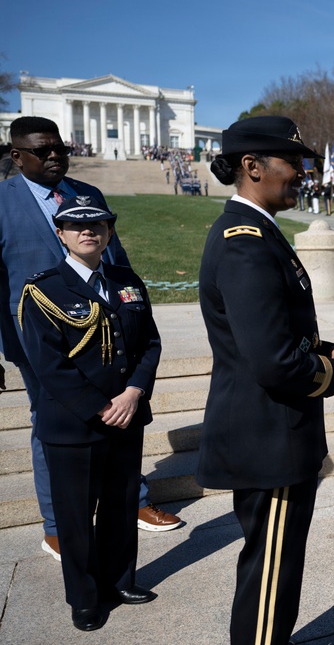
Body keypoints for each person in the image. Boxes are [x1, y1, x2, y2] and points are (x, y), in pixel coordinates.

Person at [201, 115, 334, 645]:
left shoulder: (259, 233)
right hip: (267, 437)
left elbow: (273, 332)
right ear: (252, 167)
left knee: (276, 573)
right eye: (292, 162)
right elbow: (272, 361)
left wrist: (324, 348)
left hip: (276, 432)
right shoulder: (245, 241)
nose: (302, 173)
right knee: (269, 581)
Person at [0, 117, 179, 565]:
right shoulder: (1, 201)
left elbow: (117, 261)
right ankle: (59, 527)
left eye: (59, 147)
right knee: (53, 424)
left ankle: (131, 503)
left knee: (122, 419)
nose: (54, 155)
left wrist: (134, 316)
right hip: (40, 340)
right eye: (42, 151)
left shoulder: (87, 194)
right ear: (16, 155)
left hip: (108, 334)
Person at [18, 197, 161, 631]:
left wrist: (134, 392)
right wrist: (101, 407)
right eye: (75, 226)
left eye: (98, 225)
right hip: (73, 423)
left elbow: (149, 344)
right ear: (60, 234)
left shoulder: (125, 280)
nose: (88, 232)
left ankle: (119, 581)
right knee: (76, 515)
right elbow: (49, 365)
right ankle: (84, 597)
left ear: (109, 233)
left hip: (127, 414)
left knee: (120, 504)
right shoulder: (43, 289)